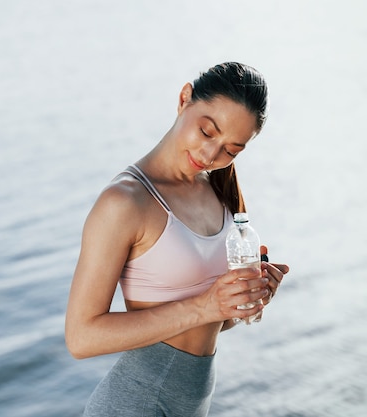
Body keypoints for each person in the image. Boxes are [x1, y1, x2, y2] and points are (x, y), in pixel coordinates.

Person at [65, 62, 290, 417]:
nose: (210, 156)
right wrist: (206, 305)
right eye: (206, 132)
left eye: (231, 150)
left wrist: (243, 299)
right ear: (184, 98)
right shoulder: (125, 202)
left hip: (191, 400)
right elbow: (81, 338)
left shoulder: (216, 191)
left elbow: (212, 323)